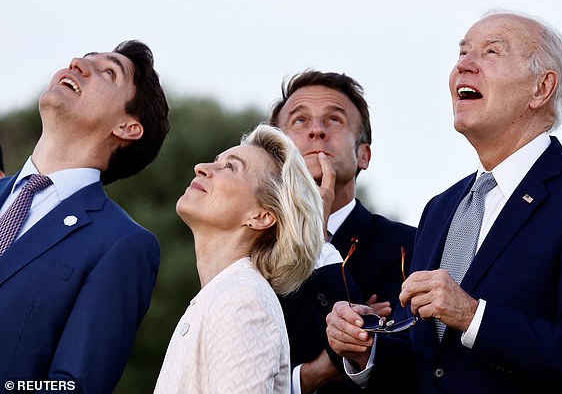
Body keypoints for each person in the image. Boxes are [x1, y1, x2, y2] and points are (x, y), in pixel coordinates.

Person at [326, 10, 562, 393]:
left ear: (541, 88)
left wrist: (474, 317)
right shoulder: (441, 208)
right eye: (462, 53)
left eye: (491, 52)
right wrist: (366, 348)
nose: (463, 66)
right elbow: (432, 367)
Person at [0, 40, 170, 393]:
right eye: (83, 58)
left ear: (127, 127)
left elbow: (74, 386)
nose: (77, 63)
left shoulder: (122, 245)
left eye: (108, 72)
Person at [270, 71, 416, 393]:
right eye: (299, 121)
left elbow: (393, 358)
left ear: (363, 154)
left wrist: (320, 241)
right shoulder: (253, 248)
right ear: (276, 154)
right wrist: (315, 371)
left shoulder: (407, 245)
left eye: (334, 120)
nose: (317, 131)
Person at [153, 124, 323, 393]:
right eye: (217, 161)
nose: (202, 167)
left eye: (231, 167)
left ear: (261, 216)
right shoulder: (220, 295)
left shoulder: (243, 299)